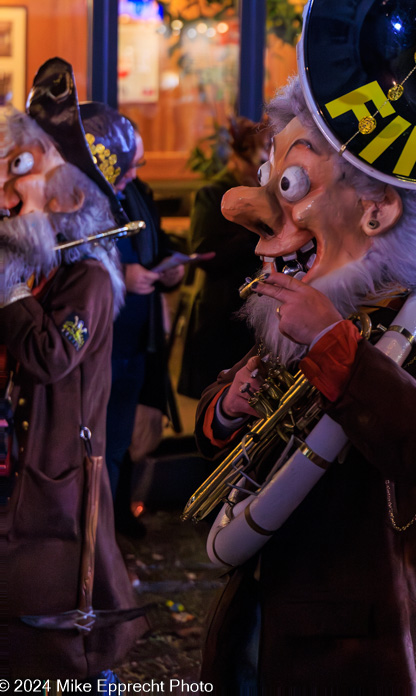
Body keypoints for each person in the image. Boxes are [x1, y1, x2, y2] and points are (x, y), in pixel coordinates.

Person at [193, 77, 416, 692]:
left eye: (291, 184)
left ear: (376, 210)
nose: (247, 206)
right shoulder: (291, 319)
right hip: (261, 609)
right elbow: (225, 418)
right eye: (269, 176)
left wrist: (334, 346)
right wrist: (229, 406)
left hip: (349, 647)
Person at [1, 58, 147, 680]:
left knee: (65, 626)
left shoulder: (86, 278)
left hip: (60, 475)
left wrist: (10, 292)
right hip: (31, 466)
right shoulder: (52, 268)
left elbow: (48, 356)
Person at [82, 111, 185, 538]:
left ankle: (104, 540)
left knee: (118, 449)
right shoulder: (84, 197)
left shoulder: (135, 192)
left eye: (138, 163)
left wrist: (169, 269)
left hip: (134, 342)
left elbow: (154, 245)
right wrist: (121, 277)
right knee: (90, 450)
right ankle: (87, 546)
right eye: (130, 163)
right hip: (98, 342)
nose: (134, 173)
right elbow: (69, 262)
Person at [178, 116, 268, 399]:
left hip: (254, 317)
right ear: (242, 158)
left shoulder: (268, 195)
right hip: (221, 314)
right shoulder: (213, 194)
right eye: (260, 161)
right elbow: (206, 254)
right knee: (218, 401)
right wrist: (257, 234)